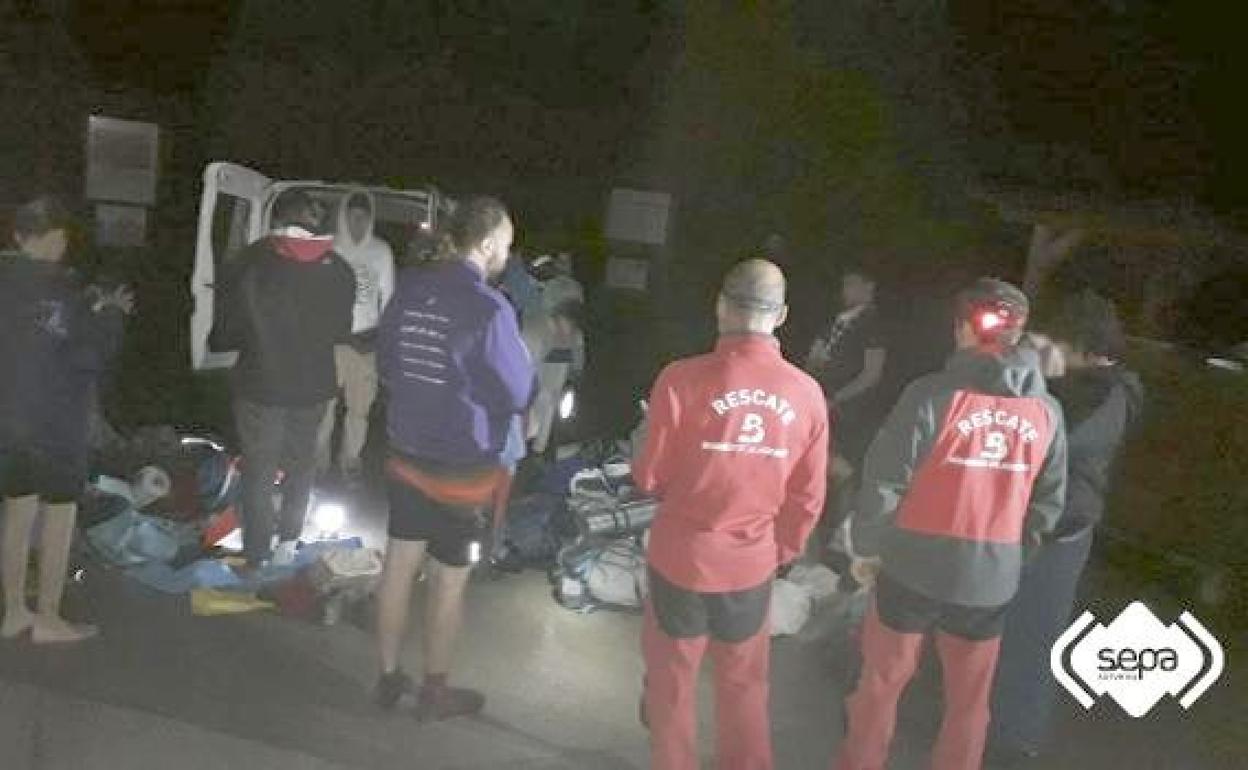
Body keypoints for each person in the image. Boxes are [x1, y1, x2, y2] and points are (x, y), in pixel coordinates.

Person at [836, 278, 1068, 770]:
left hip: (910, 569)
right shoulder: (1047, 411)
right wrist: (1012, 556)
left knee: (879, 687)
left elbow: (883, 481)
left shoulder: (930, 396)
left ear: (963, 327)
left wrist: (867, 549)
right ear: (1019, 331)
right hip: (989, 578)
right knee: (968, 704)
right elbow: (1049, 504)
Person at [633, 259, 830, 770]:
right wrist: (779, 552)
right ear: (781, 314)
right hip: (750, 566)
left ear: (721, 306)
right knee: (743, 689)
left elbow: (649, 476)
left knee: (671, 686)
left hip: (681, 558)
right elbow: (809, 496)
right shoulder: (807, 394)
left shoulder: (679, 379)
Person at [373, 196, 534, 720]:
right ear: (486, 244)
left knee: (398, 565)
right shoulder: (490, 308)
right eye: (506, 246)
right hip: (463, 466)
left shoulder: (411, 288)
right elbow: (516, 389)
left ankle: (387, 676)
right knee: (448, 577)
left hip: (406, 450)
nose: (507, 256)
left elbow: (387, 363)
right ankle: (434, 691)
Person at [989, 291, 1143, 763]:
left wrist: (1039, 380)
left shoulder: (1111, 391)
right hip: (1036, 527)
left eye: (1054, 342)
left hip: (1062, 534)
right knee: (1008, 631)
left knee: (1034, 638)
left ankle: (1016, 742)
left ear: (1078, 341)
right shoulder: (1082, 385)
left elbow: (1054, 444)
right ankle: (995, 725)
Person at [1, 196, 132, 643]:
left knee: (16, 516)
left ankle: (14, 610)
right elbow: (88, 356)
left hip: (7, 424)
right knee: (58, 518)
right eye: (59, 236)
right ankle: (49, 619)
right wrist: (111, 315)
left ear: (17, 236)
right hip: (55, 427)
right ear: (54, 239)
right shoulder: (63, 292)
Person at [209, 190, 355, 568]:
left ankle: (257, 551)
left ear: (276, 219)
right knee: (301, 463)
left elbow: (226, 330)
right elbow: (342, 329)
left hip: (260, 382)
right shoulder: (338, 267)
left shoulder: (251, 261)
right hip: (312, 385)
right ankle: (288, 543)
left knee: (259, 467)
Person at [316, 189, 396, 485]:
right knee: (323, 405)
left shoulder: (381, 251)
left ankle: (351, 460)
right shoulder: (328, 248)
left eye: (364, 217)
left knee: (359, 409)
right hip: (331, 341)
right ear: (343, 216)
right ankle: (317, 461)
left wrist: (383, 340)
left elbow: (388, 299)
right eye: (352, 216)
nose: (358, 223)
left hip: (366, 343)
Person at [804, 267, 888, 477]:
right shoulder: (836, 321)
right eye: (845, 284)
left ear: (868, 287)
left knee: (843, 469)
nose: (846, 290)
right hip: (823, 404)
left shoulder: (873, 324)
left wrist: (836, 399)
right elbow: (815, 357)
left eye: (852, 284)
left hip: (851, 412)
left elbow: (872, 373)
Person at [522, 299, 585, 455]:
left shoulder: (571, 339)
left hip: (548, 406)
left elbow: (573, 369)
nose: (567, 330)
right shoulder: (534, 332)